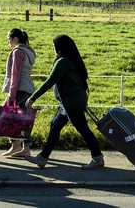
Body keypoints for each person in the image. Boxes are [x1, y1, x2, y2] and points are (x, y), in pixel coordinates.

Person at [25, 34, 104, 170]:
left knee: (82, 129)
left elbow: (50, 81)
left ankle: (97, 158)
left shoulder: (63, 62)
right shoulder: (71, 60)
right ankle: (43, 158)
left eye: (54, 46)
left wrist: (33, 97)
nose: (53, 48)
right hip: (72, 101)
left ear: (59, 47)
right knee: (55, 126)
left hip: (71, 102)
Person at [0, 28, 37, 158]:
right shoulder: (28, 52)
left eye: (8, 39)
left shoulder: (17, 52)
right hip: (28, 88)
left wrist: (11, 94)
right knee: (23, 119)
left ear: (15, 39)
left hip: (19, 88)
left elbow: (15, 74)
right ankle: (25, 148)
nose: (8, 42)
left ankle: (15, 144)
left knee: (6, 113)